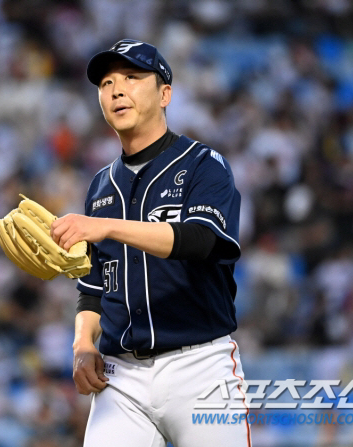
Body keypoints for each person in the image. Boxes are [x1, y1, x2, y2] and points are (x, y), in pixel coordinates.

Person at [50, 39, 251, 447]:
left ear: (165, 94)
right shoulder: (100, 186)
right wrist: (83, 342)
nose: (116, 89)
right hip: (120, 377)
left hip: (199, 366)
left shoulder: (202, 165)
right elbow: (93, 286)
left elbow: (201, 240)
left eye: (132, 77)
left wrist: (106, 227)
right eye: (106, 83)